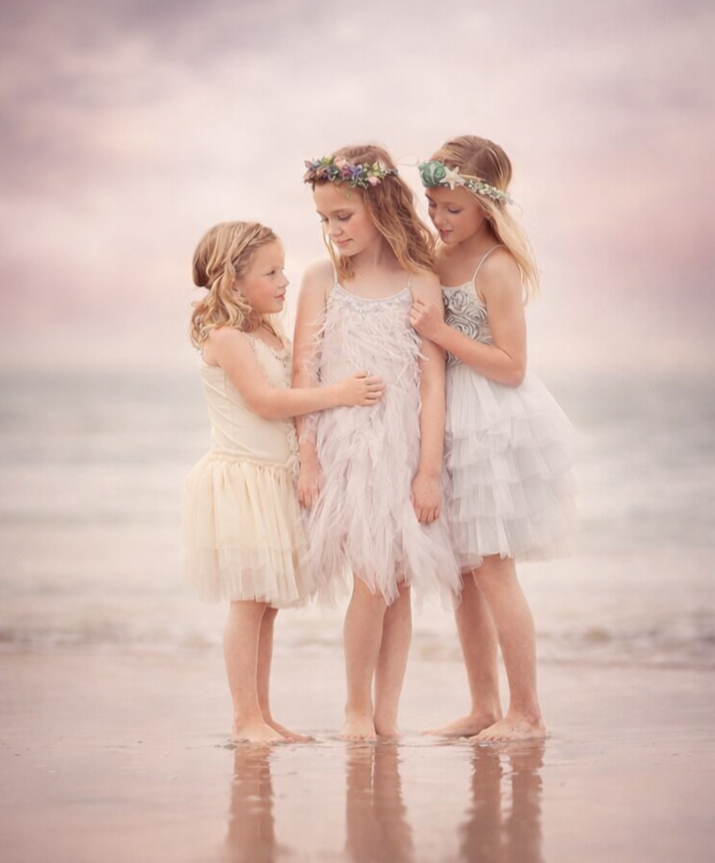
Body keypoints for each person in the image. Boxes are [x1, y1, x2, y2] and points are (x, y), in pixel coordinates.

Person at [183, 220, 384, 744]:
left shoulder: (268, 331)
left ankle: (263, 715)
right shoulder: (225, 337)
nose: (284, 281)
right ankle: (243, 718)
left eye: (283, 270)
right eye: (270, 272)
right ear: (233, 280)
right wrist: (339, 393)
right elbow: (266, 403)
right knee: (248, 603)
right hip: (242, 480)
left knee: (267, 605)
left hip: (275, 479)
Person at [410, 136, 576, 742]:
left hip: (489, 419)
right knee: (463, 573)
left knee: (494, 567)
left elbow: (511, 365)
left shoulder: (496, 267)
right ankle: (484, 705)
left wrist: (439, 331)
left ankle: (526, 711)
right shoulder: (434, 254)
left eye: (452, 208)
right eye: (433, 204)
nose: (440, 218)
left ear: (487, 206)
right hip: (444, 417)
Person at [294, 146, 461, 741]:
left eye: (344, 216)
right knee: (370, 577)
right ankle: (354, 708)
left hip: (405, 447)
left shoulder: (420, 279)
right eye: (325, 219)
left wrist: (428, 470)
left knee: (399, 585)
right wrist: (308, 457)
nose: (333, 230)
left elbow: (433, 383)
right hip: (349, 445)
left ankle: (387, 713)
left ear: (380, 205)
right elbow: (304, 374)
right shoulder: (322, 280)